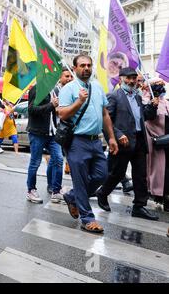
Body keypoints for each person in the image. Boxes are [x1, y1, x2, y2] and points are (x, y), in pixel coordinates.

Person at [58, 54, 119, 234]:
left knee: (102, 174)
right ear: (75, 68)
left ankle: (71, 196)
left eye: (89, 65)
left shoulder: (97, 87)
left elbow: (105, 114)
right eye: (82, 65)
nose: (86, 68)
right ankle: (87, 218)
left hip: (96, 141)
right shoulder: (68, 89)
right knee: (81, 181)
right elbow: (62, 114)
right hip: (77, 142)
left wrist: (112, 138)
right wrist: (79, 101)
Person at [95, 67, 159, 220]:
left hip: (139, 141)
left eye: (133, 78)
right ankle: (102, 193)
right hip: (122, 142)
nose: (131, 81)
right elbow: (106, 121)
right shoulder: (113, 97)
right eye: (128, 78)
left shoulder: (137, 97)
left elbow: (146, 116)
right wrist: (117, 135)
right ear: (121, 79)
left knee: (140, 175)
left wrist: (153, 106)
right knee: (116, 174)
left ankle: (139, 206)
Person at [26, 82, 63, 204]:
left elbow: (53, 111)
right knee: (35, 162)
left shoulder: (53, 90)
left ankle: (56, 191)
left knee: (58, 159)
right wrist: (51, 105)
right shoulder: (37, 89)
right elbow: (31, 109)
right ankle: (31, 190)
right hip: (37, 133)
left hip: (52, 134)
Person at [142, 78, 169, 212]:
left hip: (166, 140)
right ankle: (159, 195)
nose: (160, 88)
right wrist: (153, 104)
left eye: (162, 85)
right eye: (157, 86)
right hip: (155, 140)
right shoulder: (145, 100)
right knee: (158, 170)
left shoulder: (166, 102)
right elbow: (148, 116)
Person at [50, 68, 73, 179]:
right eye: (66, 76)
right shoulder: (55, 91)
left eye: (71, 76)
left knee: (61, 158)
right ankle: (54, 186)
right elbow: (55, 110)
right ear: (60, 78)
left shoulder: (74, 90)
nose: (69, 79)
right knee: (57, 158)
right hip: (59, 130)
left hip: (71, 129)